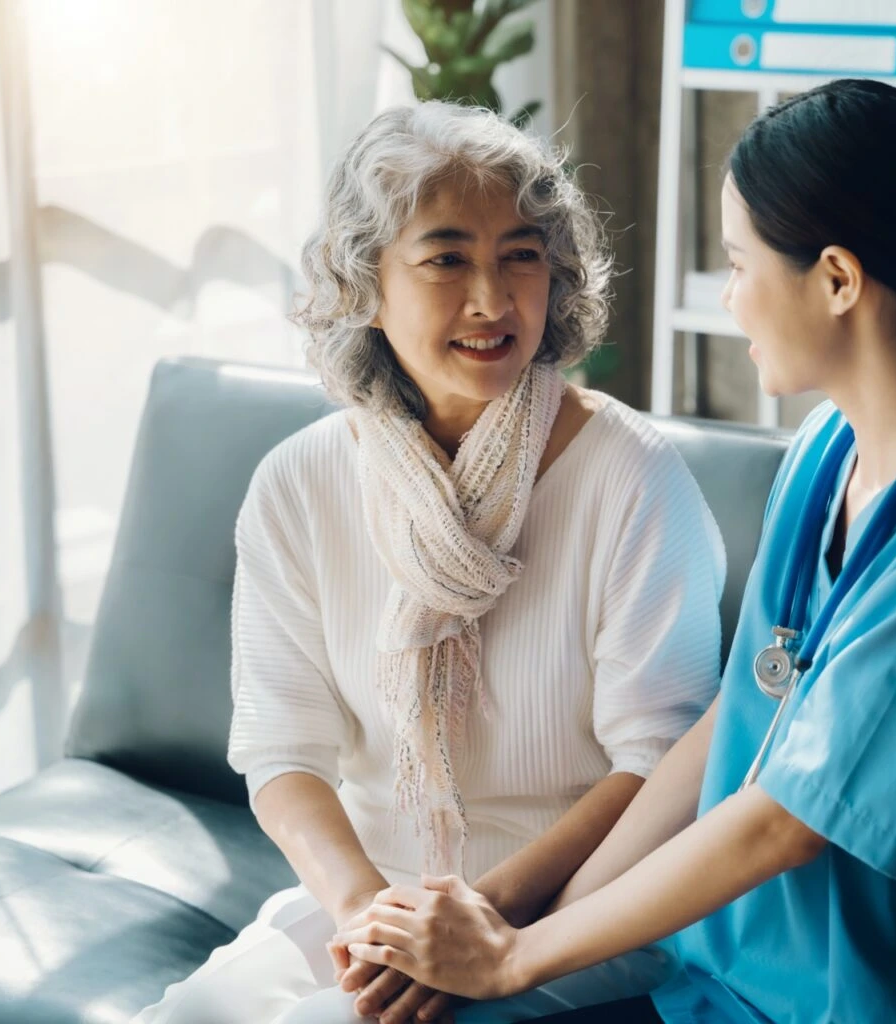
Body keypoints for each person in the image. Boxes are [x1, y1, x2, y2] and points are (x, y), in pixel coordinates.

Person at [328, 78, 896, 1023]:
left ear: (836, 279)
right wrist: (529, 945)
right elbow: (733, 720)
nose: (729, 300)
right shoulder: (825, 455)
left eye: (738, 265)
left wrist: (520, 959)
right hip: (721, 987)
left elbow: (785, 824)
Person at [133, 101, 726, 1024]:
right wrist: (372, 912)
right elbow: (283, 751)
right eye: (447, 257)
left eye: (522, 255)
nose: (492, 300)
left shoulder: (633, 478)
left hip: (573, 921)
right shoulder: (300, 482)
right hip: (373, 899)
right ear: (364, 282)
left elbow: (659, 765)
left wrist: (473, 923)